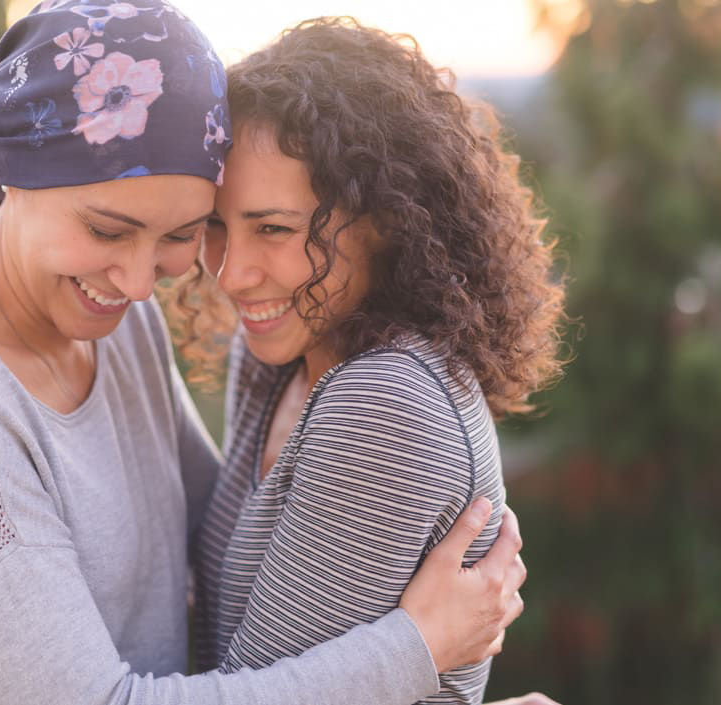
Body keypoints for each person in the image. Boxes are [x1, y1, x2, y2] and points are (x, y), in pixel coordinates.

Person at [0, 3, 526, 705]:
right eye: (109, 230)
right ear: (16, 175)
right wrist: (416, 647)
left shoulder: (113, 325)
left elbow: (230, 545)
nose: (140, 283)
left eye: (181, 235)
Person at [181, 17, 568, 705]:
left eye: (273, 228)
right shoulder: (278, 361)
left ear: (386, 218)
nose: (232, 273)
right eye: (217, 224)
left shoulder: (386, 402)